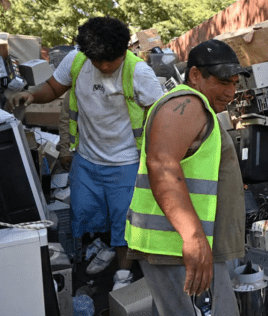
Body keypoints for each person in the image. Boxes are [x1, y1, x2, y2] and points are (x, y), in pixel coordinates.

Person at [9, 17, 164, 289]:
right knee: (87, 213)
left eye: (111, 61)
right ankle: (105, 247)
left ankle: (123, 276)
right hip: (87, 159)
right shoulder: (77, 61)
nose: (104, 66)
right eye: (98, 61)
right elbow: (54, 88)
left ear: (124, 50)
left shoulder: (139, 73)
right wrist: (32, 96)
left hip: (126, 163)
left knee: (123, 223)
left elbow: (161, 117)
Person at [125, 39, 248, 315]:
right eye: (223, 82)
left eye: (235, 84)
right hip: (178, 248)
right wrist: (193, 238)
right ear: (195, 75)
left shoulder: (195, 107)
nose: (231, 92)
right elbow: (161, 166)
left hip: (179, 247)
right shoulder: (188, 104)